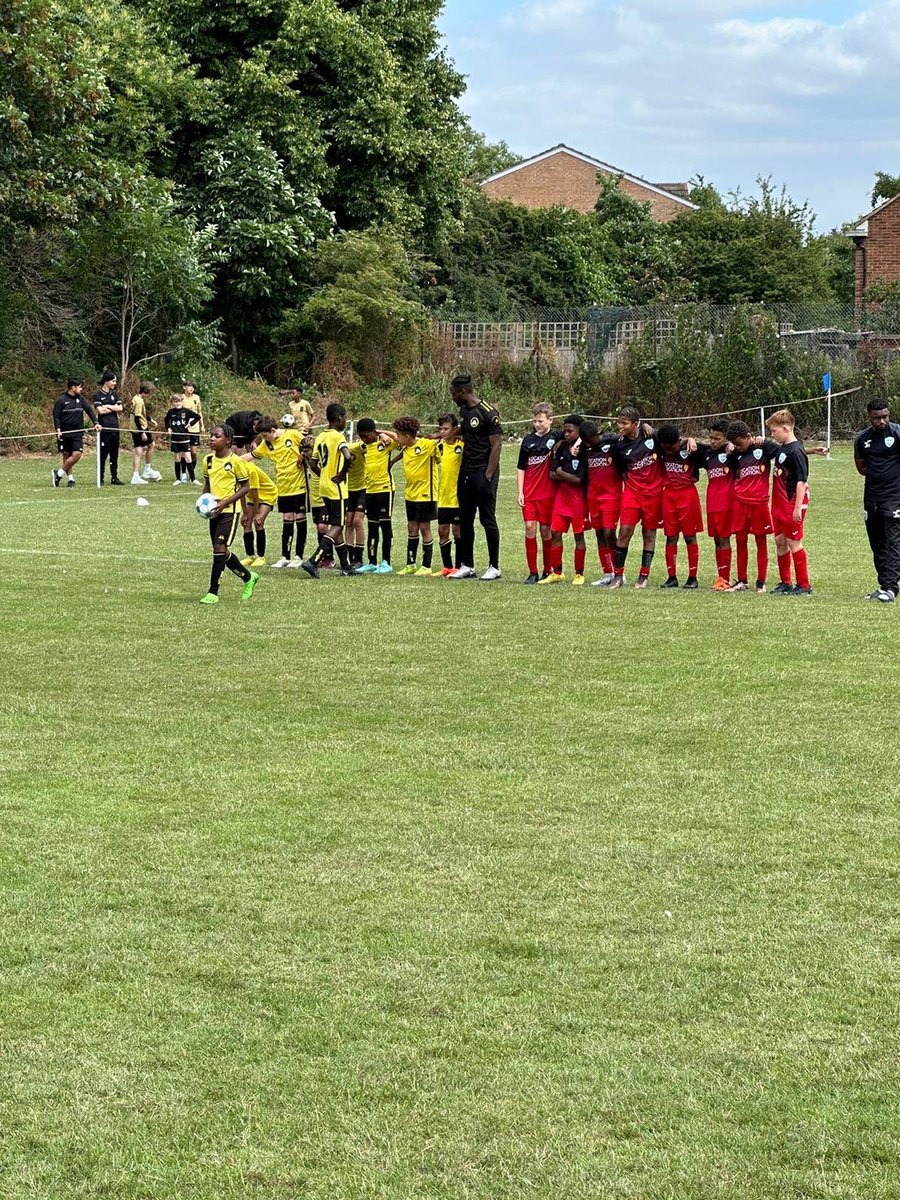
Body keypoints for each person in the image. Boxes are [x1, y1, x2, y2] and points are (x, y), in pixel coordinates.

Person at [449, 374, 503, 581]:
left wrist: (488, 475)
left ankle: (494, 566)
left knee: (487, 519)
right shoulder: (464, 411)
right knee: (465, 519)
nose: (452, 397)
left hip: (484, 471)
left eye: (454, 393)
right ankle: (467, 565)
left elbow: (496, 445)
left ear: (463, 392)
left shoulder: (488, 413)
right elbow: (467, 431)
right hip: (466, 472)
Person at [199, 425, 259, 605]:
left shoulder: (236, 462)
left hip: (229, 512)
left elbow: (246, 487)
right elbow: (208, 485)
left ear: (228, 441)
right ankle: (249, 577)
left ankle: (213, 592)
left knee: (219, 548)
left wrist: (228, 503)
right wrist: (203, 503)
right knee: (221, 552)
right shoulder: (207, 460)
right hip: (214, 512)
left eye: (216, 436)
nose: (211, 439)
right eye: (211, 435)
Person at [609, 407, 664, 590]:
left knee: (649, 533)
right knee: (624, 532)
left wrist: (691, 441)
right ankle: (617, 576)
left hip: (654, 493)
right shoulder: (619, 445)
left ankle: (643, 576)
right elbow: (621, 468)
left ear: (635, 424)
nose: (620, 426)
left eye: (624, 423)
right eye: (619, 422)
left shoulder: (651, 436)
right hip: (632, 493)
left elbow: (673, 441)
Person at [301, 402, 358, 578]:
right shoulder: (338, 437)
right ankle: (313, 561)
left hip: (324, 487)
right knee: (338, 525)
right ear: (339, 418)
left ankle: (346, 566)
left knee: (335, 525)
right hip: (337, 489)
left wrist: (324, 474)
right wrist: (341, 474)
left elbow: (312, 462)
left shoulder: (320, 437)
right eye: (345, 418)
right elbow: (348, 456)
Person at [380, 416, 440, 576]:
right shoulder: (406, 446)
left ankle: (426, 566)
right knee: (411, 528)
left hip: (426, 494)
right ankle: (411, 563)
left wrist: (436, 437)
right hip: (410, 494)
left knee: (424, 528)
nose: (397, 438)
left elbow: (444, 440)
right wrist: (392, 460)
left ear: (407, 436)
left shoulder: (427, 445)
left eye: (399, 435)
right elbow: (393, 439)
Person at [854, 398, 900, 601]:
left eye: (885, 416)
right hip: (871, 496)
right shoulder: (862, 439)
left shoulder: (898, 433)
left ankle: (891, 588)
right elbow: (861, 467)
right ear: (869, 418)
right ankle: (884, 586)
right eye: (877, 418)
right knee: (877, 542)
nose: (882, 421)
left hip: (895, 497)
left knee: (893, 541)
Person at [249, 416, 309, 569]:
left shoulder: (293, 434)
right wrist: (232, 460)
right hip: (283, 487)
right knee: (287, 519)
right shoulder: (267, 444)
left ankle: (298, 556)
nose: (264, 439)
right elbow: (252, 456)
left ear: (273, 430)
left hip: (300, 485)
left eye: (264, 435)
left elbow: (310, 444)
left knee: (299, 518)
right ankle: (285, 557)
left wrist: (302, 455)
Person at [726, 420, 777, 593]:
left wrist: (766, 441)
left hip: (759, 503)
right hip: (740, 502)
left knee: (760, 541)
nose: (738, 447)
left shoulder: (762, 448)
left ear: (748, 437)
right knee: (741, 540)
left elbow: (786, 450)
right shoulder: (735, 455)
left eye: (739, 443)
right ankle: (742, 580)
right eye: (735, 444)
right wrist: (729, 450)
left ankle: (761, 582)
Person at [766, 409, 812, 595]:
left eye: (774, 431)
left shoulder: (796, 451)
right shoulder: (784, 447)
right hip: (778, 502)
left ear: (785, 428)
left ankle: (804, 585)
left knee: (794, 542)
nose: (772, 434)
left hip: (791, 501)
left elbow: (801, 481)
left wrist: (797, 508)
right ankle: (785, 581)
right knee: (780, 541)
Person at [540, 415, 587, 585]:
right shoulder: (560, 448)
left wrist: (561, 472)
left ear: (579, 432)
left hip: (577, 500)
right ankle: (557, 572)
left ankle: (579, 573)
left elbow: (580, 480)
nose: (566, 434)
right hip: (562, 498)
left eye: (570, 431)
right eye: (565, 431)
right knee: (555, 533)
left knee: (578, 536)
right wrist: (563, 474)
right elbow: (552, 474)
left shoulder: (583, 451)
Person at [658, 423, 705, 590]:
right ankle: (672, 577)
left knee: (689, 536)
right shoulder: (661, 444)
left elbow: (717, 448)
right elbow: (645, 431)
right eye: (666, 449)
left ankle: (692, 578)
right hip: (668, 495)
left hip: (687, 495)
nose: (669, 451)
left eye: (672, 447)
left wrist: (692, 439)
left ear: (679, 440)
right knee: (670, 536)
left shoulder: (692, 448)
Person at [516, 402, 560, 584]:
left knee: (545, 530)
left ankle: (547, 570)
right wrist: (520, 491)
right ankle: (532, 571)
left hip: (548, 493)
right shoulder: (528, 440)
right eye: (535, 421)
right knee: (529, 528)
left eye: (541, 421)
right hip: (529, 492)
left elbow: (579, 431)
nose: (537, 424)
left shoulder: (557, 436)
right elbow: (521, 467)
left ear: (550, 420)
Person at [582, 422, 622, 587]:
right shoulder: (584, 448)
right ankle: (607, 572)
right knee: (599, 532)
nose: (587, 444)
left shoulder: (611, 441)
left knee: (609, 532)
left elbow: (629, 434)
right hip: (593, 495)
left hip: (611, 495)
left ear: (596, 434)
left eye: (589, 441)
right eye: (584, 442)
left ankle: (619, 573)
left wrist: (646, 426)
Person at [358, 417, 395, 574]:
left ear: (374, 432)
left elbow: (398, 438)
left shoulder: (385, 444)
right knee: (372, 527)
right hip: (370, 491)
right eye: (361, 437)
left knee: (385, 526)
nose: (364, 439)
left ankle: (386, 562)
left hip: (385, 490)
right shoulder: (363, 447)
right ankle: (372, 561)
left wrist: (381, 433)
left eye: (367, 436)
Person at [701, 420, 735, 590]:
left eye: (717, 438)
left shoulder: (732, 452)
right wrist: (691, 440)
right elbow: (686, 444)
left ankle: (725, 579)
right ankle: (720, 577)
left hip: (726, 503)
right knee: (716, 541)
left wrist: (731, 444)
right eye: (711, 438)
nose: (713, 441)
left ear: (726, 438)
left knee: (724, 539)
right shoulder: (706, 452)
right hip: (711, 503)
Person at [52, 379, 99, 488]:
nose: (81, 389)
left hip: (77, 433)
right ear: (73, 388)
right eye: (79, 387)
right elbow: (56, 416)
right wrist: (58, 429)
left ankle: (58, 473)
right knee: (66, 455)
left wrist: (95, 422)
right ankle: (70, 479)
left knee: (77, 454)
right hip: (65, 433)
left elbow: (89, 411)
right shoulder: (61, 400)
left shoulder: (81, 399)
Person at [436, 413, 463, 576]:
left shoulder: (462, 446)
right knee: (442, 531)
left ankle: (459, 566)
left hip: (458, 497)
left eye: (446, 428)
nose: (443, 432)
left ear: (454, 429)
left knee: (458, 532)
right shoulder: (438, 447)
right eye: (441, 429)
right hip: (443, 496)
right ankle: (447, 566)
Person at [240, 458, 278, 568]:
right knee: (247, 523)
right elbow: (241, 492)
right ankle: (250, 556)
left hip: (267, 494)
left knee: (258, 522)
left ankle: (261, 557)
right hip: (252, 497)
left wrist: (257, 513)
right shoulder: (236, 470)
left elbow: (256, 492)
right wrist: (245, 513)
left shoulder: (250, 470)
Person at [93, 370, 124, 485]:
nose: (115, 383)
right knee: (103, 454)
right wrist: (113, 407)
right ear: (107, 381)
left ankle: (114, 477)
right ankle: (100, 478)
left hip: (115, 428)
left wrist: (107, 406)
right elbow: (100, 411)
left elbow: (120, 409)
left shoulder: (114, 394)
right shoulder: (97, 395)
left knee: (114, 454)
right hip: (104, 429)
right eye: (113, 381)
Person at [129, 381, 161, 484]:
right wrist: (142, 432)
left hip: (136, 427)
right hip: (140, 428)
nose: (149, 395)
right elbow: (137, 418)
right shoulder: (139, 401)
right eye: (150, 393)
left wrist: (150, 420)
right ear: (146, 391)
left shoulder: (136, 398)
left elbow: (141, 414)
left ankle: (138, 474)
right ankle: (145, 471)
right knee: (147, 446)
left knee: (142, 448)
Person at [343, 435, 367, 569]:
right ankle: (350, 556)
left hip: (363, 489)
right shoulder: (338, 450)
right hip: (349, 490)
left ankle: (359, 557)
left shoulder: (358, 447)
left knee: (357, 521)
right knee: (348, 522)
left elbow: (368, 444)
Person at [164, 395, 200, 484]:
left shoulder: (186, 411)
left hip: (185, 438)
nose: (177, 403)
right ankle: (178, 479)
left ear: (182, 402)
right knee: (177, 458)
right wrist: (168, 428)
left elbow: (197, 417)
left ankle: (193, 479)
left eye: (179, 401)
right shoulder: (171, 412)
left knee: (188, 458)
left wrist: (190, 424)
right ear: (173, 403)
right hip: (175, 439)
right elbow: (166, 420)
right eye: (176, 402)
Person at [180, 380, 204, 470]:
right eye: (189, 386)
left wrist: (202, 425)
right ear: (184, 387)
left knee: (193, 452)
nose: (191, 388)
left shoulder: (197, 397)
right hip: (184, 428)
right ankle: (183, 473)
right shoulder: (181, 398)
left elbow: (199, 412)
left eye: (193, 387)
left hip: (195, 428)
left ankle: (191, 471)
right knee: (184, 452)